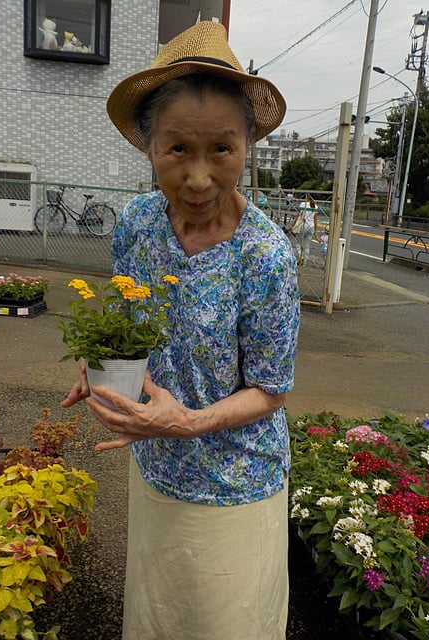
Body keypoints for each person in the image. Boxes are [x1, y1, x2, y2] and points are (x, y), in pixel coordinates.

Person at [62, 21, 299, 640]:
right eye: (178, 150)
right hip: (158, 470)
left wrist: (189, 421)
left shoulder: (266, 256)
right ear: (149, 146)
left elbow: (272, 390)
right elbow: (130, 324)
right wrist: (100, 366)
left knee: (227, 623)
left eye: (221, 150)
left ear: (248, 146)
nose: (198, 179)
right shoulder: (138, 224)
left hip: (237, 485)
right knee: (158, 618)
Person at [288, 194, 319, 266]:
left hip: (302, 225)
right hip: (311, 227)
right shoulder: (316, 206)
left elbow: (298, 215)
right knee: (307, 245)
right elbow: (315, 220)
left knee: (298, 243)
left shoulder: (303, 204)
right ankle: (305, 261)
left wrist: (292, 225)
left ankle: (300, 257)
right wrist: (315, 231)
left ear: (307, 198)